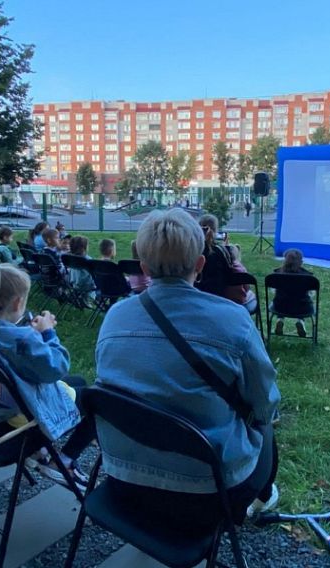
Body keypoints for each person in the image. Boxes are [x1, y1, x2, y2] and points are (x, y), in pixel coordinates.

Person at [95, 208, 280, 525]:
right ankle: (262, 497)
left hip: (123, 476)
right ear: (200, 264)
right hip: (207, 492)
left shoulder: (114, 317)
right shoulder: (233, 320)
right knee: (264, 425)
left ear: (143, 266)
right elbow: (265, 404)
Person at [0, 263, 94, 489]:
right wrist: (48, 333)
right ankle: (65, 460)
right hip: (24, 416)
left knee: (78, 382)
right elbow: (57, 368)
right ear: (18, 302)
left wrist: (30, 335)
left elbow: (10, 351)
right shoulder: (22, 340)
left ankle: (40, 450)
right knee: (94, 398)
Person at [271, 248, 314, 337]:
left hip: (279, 307)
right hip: (302, 308)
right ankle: (300, 321)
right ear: (301, 262)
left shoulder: (276, 274)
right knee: (301, 299)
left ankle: (280, 320)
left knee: (282, 298)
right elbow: (310, 293)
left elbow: (274, 290)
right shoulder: (307, 276)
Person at [196, 213, 234, 299]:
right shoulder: (219, 250)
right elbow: (230, 273)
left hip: (197, 294)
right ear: (215, 230)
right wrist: (227, 248)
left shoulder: (194, 250)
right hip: (218, 296)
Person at [225, 244, 257, 309]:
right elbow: (247, 288)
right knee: (251, 294)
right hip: (240, 301)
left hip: (225, 299)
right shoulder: (241, 270)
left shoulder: (221, 269)